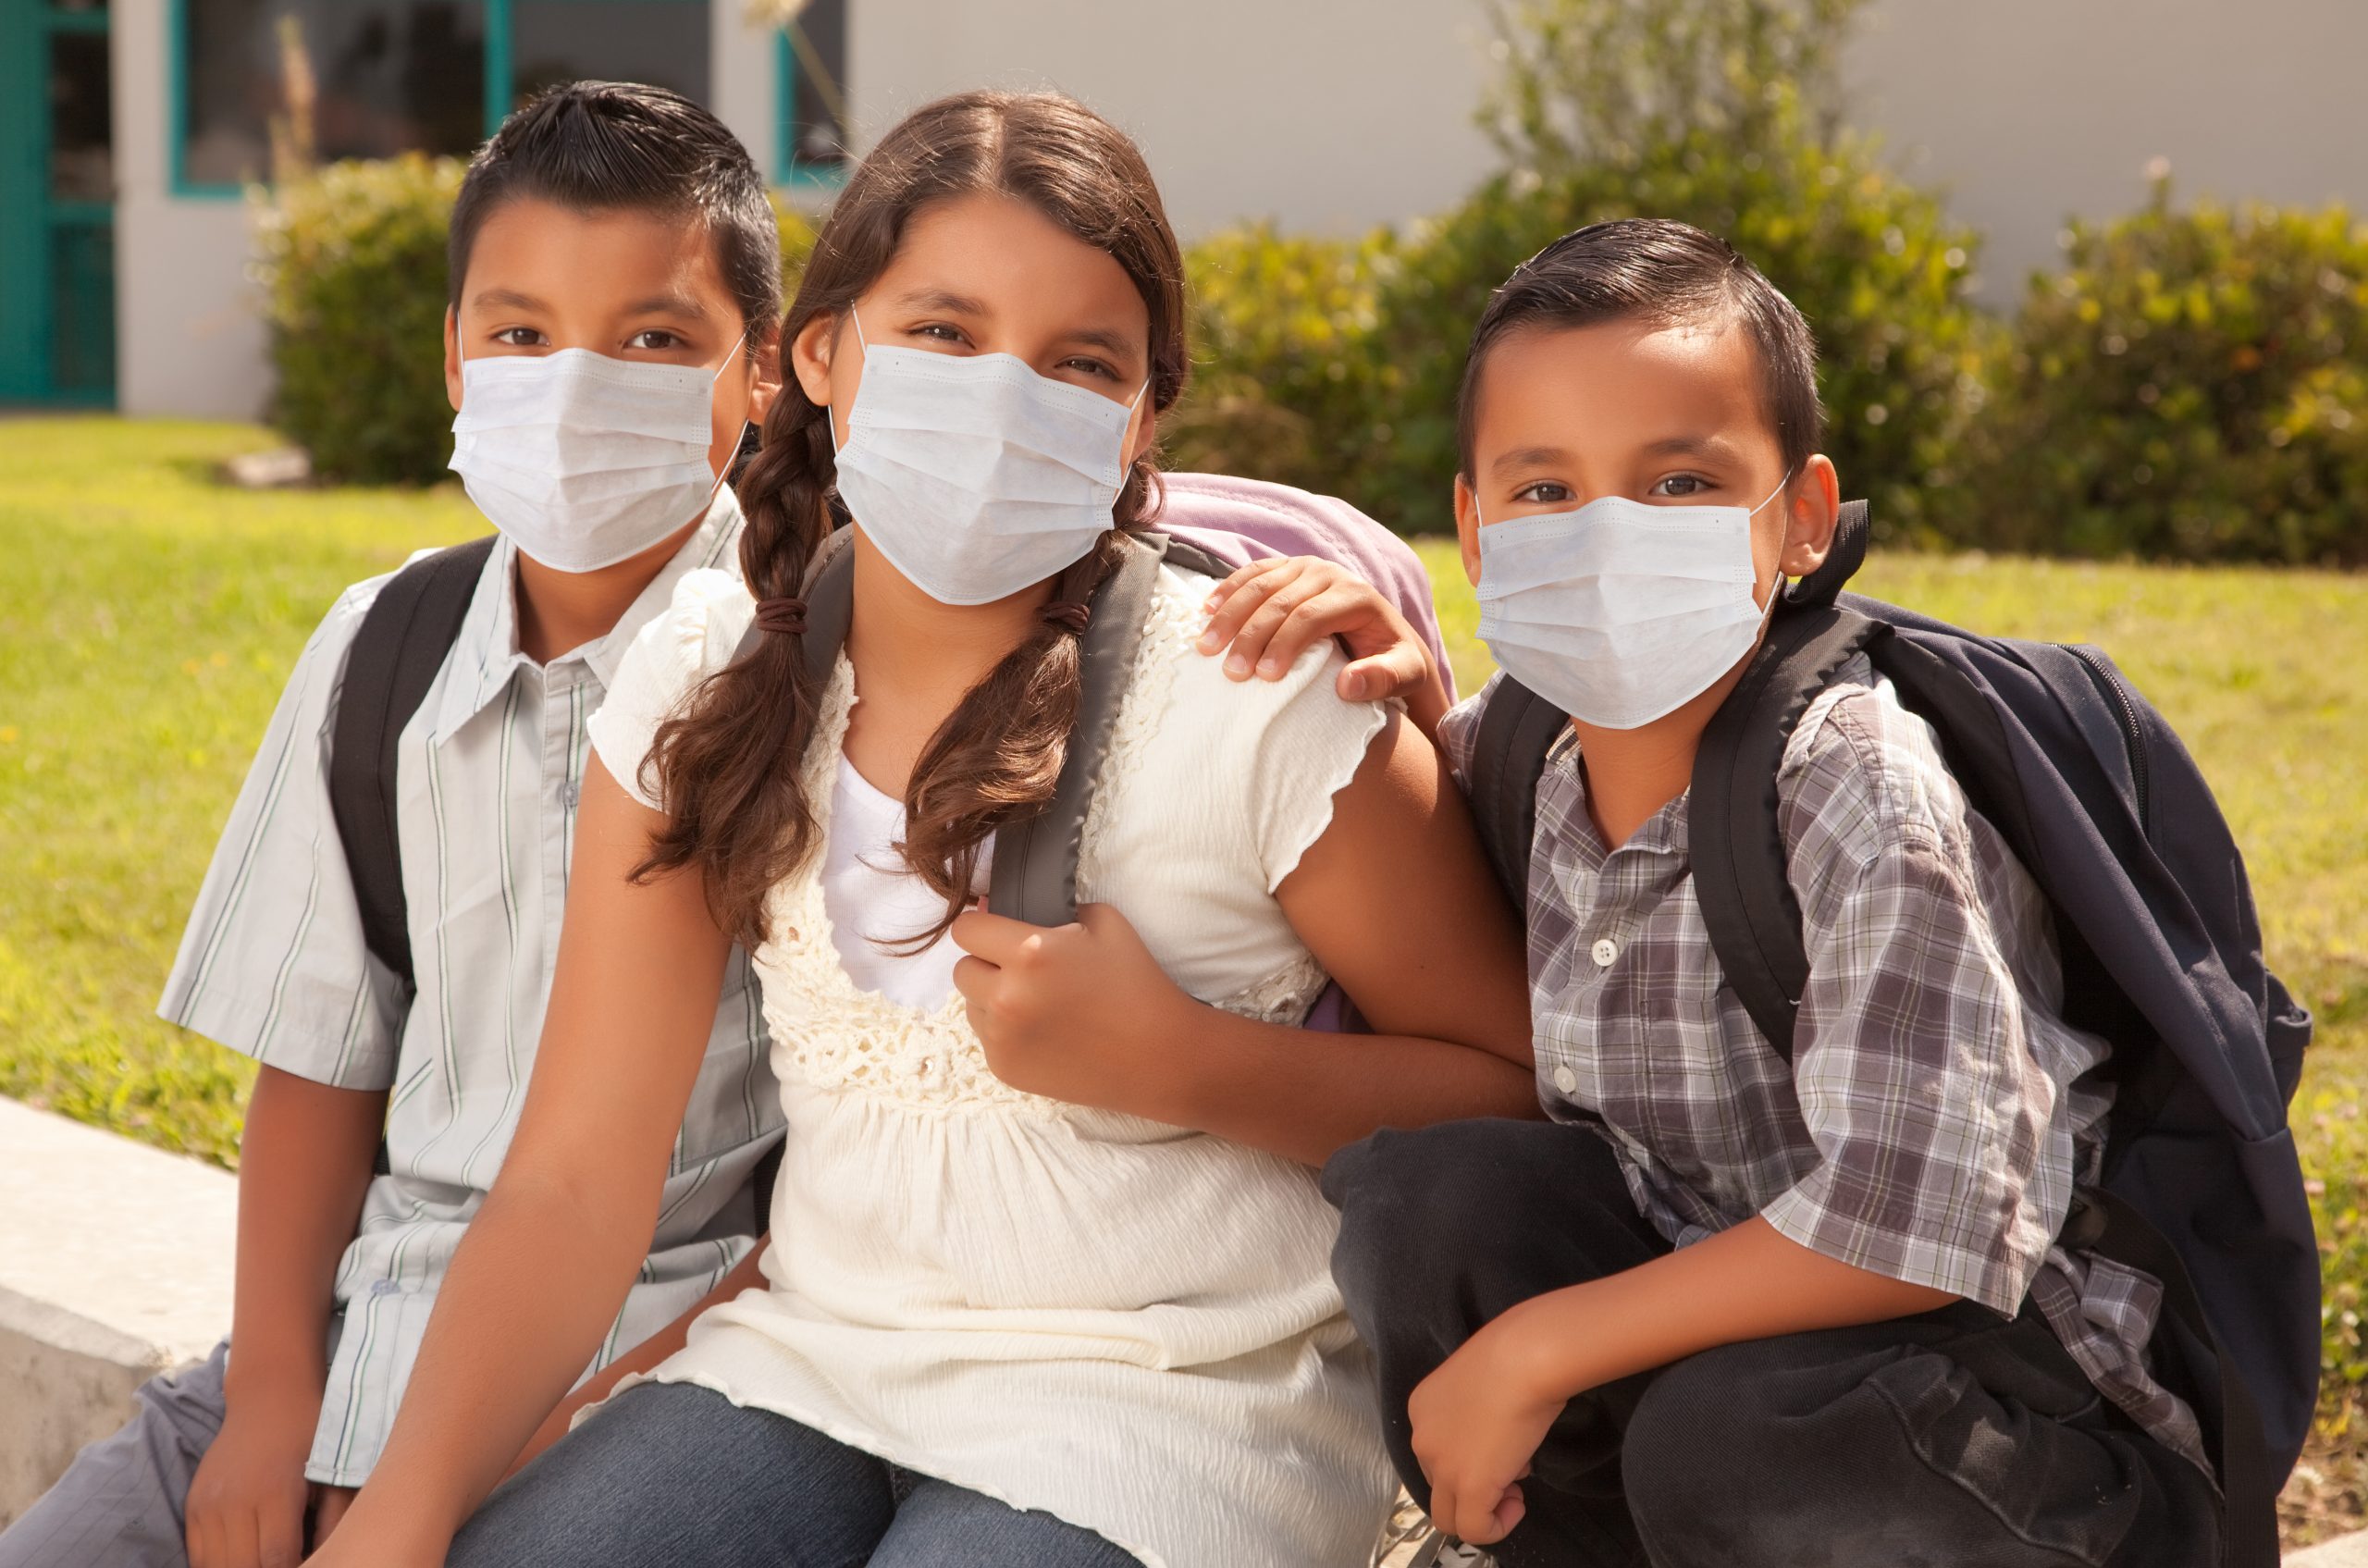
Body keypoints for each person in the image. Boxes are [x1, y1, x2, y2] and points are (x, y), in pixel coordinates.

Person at [303, 89, 1536, 1568]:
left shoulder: (1260, 701)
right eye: (944, 332)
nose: (1003, 394)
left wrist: (1187, 1065)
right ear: (819, 354)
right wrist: (404, 1515)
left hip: (1174, 1409)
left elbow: (1517, 1094)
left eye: (1080, 363)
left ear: (1141, 417)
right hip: (810, 1367)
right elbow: (573, 1183)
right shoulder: (707, 679)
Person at [1313, 219, 2224, 1567]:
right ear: (1474, 529)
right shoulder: (1519, 750)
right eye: (1545, 491)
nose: (1607, 537)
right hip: (1736, 1363)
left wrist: (1539, 1345)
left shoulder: (1854, 779)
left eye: (1678, 484)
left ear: (1797, 517)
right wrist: (1375, 694)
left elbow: (1921, 1218)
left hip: (2000, 1430)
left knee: (1732, 1431)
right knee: (1431, 1201)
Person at [0, 81, 800, 1568]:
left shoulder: (806, 676)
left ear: (761, 372)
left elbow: (835, 1202)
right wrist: (272, 1402)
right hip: (351, 1344)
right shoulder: (385, 650)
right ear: (454, 356)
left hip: (667, 1377)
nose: (574, 384)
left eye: (654, 339)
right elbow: (320, 1063)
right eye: (519, 333)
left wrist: (481, 1455)